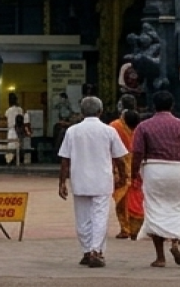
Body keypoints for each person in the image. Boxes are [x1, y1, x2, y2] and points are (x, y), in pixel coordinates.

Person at [58, 96, 129, 268]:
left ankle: (86, 251)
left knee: (82, 218)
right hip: (102, 180)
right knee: (100, 216)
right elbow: (120, 158)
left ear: (82, 112)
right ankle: (96, 251)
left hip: (79, 180)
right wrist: (123, 177)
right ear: (100, 111)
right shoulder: (109, 131)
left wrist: (62, 183)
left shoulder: (72, 131)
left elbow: (65, 160)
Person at [131, 90, 180, 268]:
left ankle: (160, 257)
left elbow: (137, 152)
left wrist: (134, 173)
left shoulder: (143, 126)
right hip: (176, 170)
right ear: (172, 105)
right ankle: (175, 241)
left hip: (153, 170)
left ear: (154, 106)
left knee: (155, 210)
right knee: (179, 207)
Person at [109, 105, 143, 240]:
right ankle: (136, 228)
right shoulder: (140, 129)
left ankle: (125, 228)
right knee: (137, 199)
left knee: (122, 201)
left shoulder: (115, 126)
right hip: (137, 167)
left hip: (120, 167)